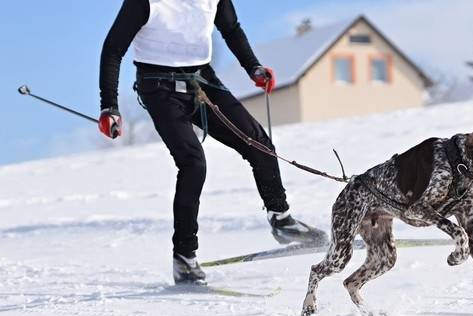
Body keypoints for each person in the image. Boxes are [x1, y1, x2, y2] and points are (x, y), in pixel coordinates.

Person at [99, 0, 326, 285]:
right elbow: (113, 50)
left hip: (203, 80)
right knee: (193, 163)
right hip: (158, 86)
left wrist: (253, 67)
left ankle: (282, 219)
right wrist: (110, 106)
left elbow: (231, 29)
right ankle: (184, 258)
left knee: (259, 144)